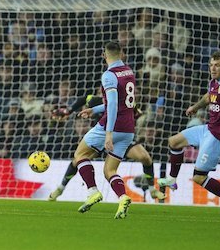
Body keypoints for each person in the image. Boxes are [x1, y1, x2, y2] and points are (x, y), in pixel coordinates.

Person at [159, 51, 220, 217]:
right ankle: (172, 180)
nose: (213, 68)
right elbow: (208, 97)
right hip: (208, 129)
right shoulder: (214, 82)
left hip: (219, 136)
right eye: (211, 65)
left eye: (217, 65)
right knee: (174, 141)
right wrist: (195, 107)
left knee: (198, 177)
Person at [63, 41, 136, 218]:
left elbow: (112, 105)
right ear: (122, 53)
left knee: (80, 155)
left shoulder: (108, 75)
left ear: (104, 55)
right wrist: (94, 110)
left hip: (111, 126)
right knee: (109, 171)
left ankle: (92, 191)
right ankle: (123, 197)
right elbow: (118, 103)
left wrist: (108, 133)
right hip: (128, 128)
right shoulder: (128, 71)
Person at [49, 95, 165, 201]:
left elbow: (136, 113)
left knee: (145, 157)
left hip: (119, 137)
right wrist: (68, 111)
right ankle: (60, 188)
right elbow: (83, 99)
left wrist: (136, 113)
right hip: (101, 139)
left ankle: (152, 190)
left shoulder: (124, 101)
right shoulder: (96, 100)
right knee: (77, 160)